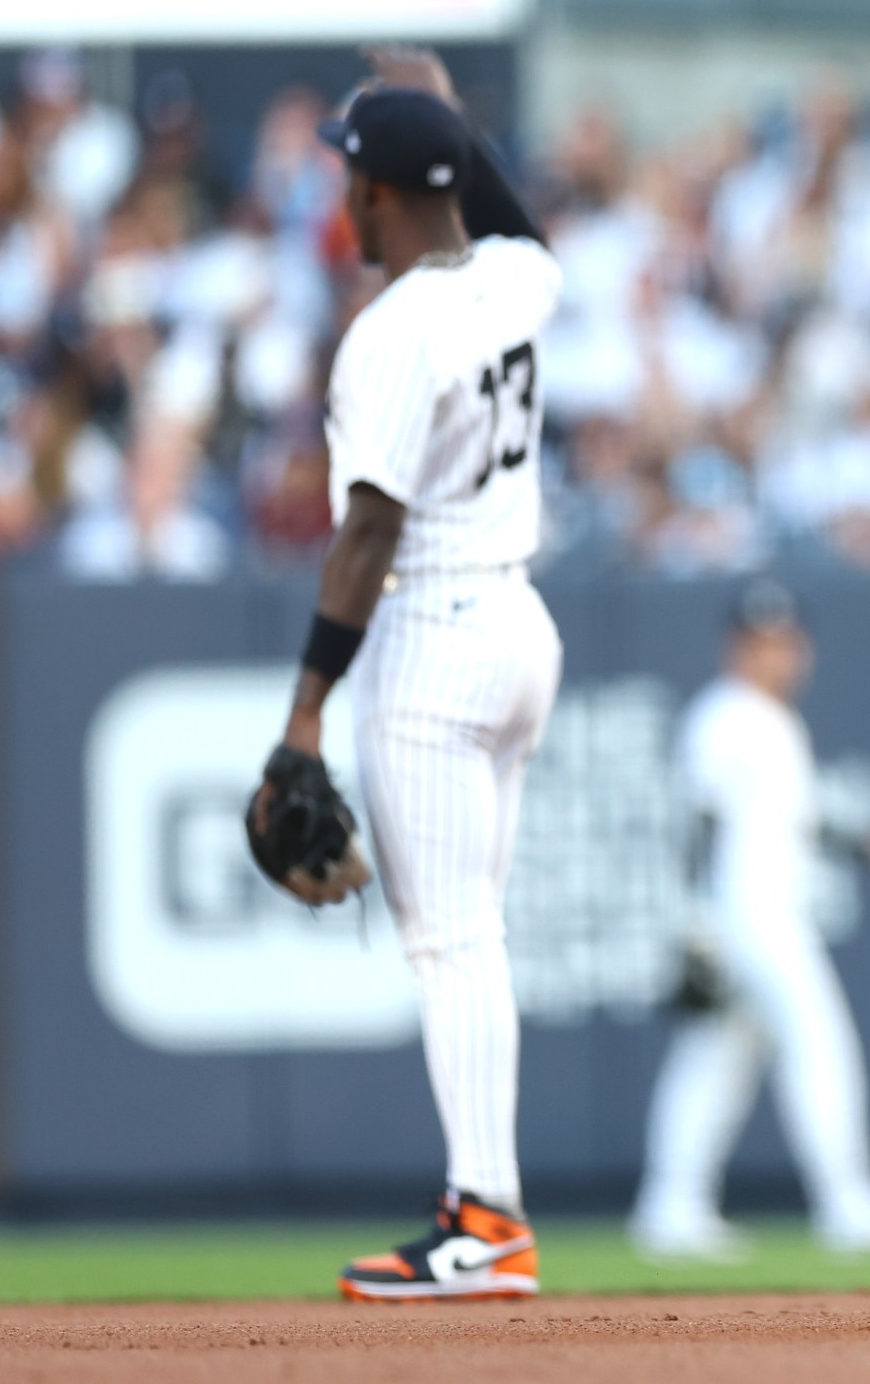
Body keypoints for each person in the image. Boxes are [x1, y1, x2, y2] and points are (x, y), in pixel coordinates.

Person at [255, 71, 565, 1300]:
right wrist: (449, 125)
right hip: (519, 627)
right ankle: (482, 1212)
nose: (343, 183)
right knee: (469, 937)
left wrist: (300, 721)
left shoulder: (388, 334)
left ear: (370, 190)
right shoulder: (514, 280)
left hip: (435, 636)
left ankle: (485, 1222)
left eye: (351, 167)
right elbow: (521, 227)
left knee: (450, 942)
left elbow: (367, 533)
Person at [630, 580, 870, 1261]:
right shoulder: (723, 715)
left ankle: (670, 1207)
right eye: (761, 641)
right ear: (734, 646)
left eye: (785, 641)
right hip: (748, 913)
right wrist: (691, 923)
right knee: (819, 1042)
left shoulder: (772, 720)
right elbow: (696, 824)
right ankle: (848, 1204)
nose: (777, 655)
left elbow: (799, 822)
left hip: (760, 908)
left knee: (715, 1059)